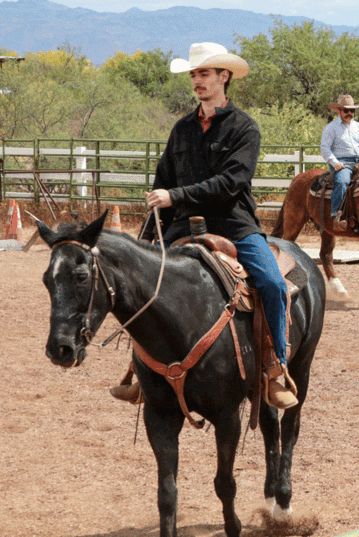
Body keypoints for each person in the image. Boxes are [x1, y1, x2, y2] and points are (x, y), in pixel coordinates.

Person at [112, 41, 297, 409]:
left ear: (224, 77)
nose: (197, 80)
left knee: (273, 284)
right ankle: (139, 370)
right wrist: (146, 238)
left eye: (204, 73)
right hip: (181, 226)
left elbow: (232, 182)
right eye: (194, 74)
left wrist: (175, 197)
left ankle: (276, 368)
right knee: (142, 286)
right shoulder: (181, 130)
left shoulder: (245, 128)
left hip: (234, 224)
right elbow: (161, 183)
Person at [320, 94, 359, 230]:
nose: (349, 113)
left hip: (358, 161)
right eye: (346, 110)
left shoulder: (358, 127)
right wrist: (335, 163)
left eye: (352, 110)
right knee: (342, 181)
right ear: (339, 111)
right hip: (342, 162)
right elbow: (324, 147)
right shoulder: (331, 128)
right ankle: (336, 215)